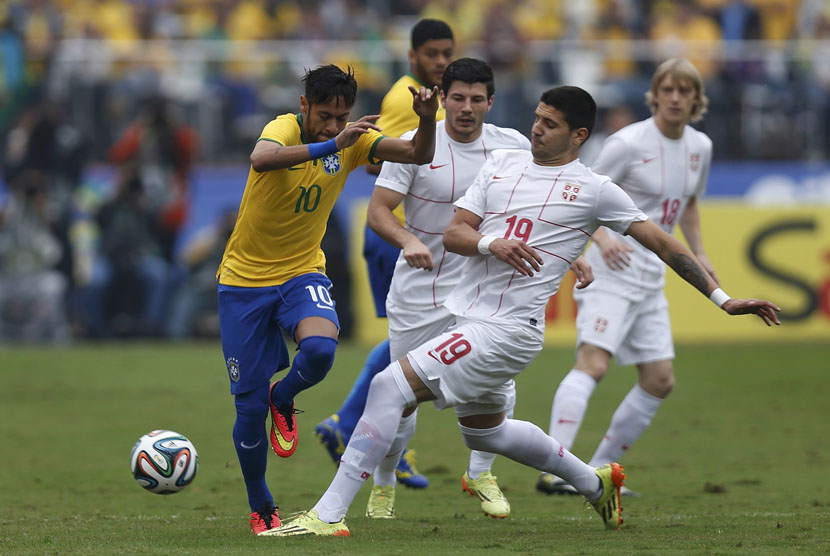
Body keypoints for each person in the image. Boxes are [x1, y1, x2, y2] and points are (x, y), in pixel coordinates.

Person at [260, 85, 780, 537]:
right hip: (471, 317)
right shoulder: (504, 164)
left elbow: (665, 245)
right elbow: (455, 232)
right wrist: (492, 244)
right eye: (536, 117)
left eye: (550, 125)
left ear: (578, 136)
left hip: (509, 330)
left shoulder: (595, 190)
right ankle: (593, 480)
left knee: (387, 387)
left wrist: (723, 298)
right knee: (486, 432)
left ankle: (329, 513)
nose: (536, 129)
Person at [217, 63, 439, 535]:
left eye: (341, 118)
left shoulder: (354, 140)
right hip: (243, 281)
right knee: (248, 410)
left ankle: (285, 395)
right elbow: (260, 159)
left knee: (320, 350)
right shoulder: (285, 127)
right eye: (324, 115)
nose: (334, 125)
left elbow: (418, 153)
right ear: (305, 106)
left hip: (301, 271)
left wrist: (426, 117)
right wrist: (330, 145)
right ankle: (261, 503)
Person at [536, 58, 721, 497]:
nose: (675, 98)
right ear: (654, 95)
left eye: (684, 91)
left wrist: (699, 252)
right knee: (594, 364)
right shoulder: (627, 142)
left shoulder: (701, 146)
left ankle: (596, 472)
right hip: (612, 273)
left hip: (652, 277)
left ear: (697, 100)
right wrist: (601, 239)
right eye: (667, 89)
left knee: (659, 380)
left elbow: (689, 205)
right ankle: (555, 466)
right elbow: (584, 194)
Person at [359, 57, 531, 520]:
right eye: (458, 97)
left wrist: (578, 260)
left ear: (491, 102)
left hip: (481, 290)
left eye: (477, 99)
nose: (467, 107)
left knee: (494, 385)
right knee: (400, 399)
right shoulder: (418, 144)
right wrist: (408, 239)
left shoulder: (511, 147)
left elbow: (545, 199)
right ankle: (385, 478)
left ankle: (480, 472)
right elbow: (378, 211)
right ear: (441, 97)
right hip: (420, 290)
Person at [315, 18, 454, 490]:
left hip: (401, 229)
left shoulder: (426, 97)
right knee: (410, 345)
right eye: (432, 54)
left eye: (446, 54)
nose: (440, 62)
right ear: (412, 56)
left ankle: (375, 437)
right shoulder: (406, 97)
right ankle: (356, 428)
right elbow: (379, 157)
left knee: (409, 343)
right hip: (397, 227)